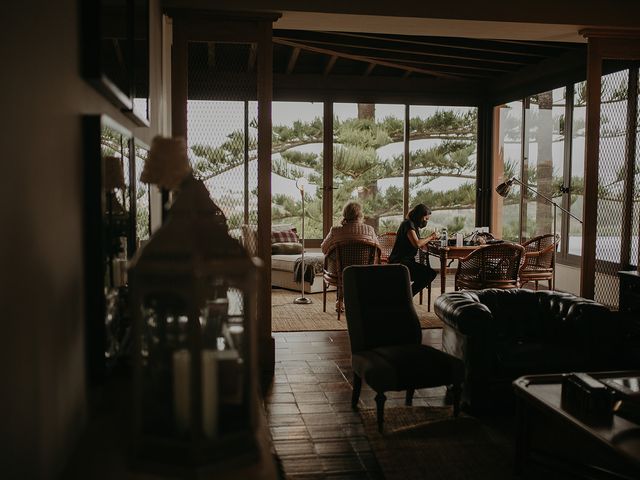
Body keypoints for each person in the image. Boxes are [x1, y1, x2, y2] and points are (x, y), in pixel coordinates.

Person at [388, 203, 438, 296]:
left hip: (406, 262)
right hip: (400, 262)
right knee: (430, 274)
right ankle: (406, 296)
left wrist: (426, 241)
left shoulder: (412, 225)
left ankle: (405, 296)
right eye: (426, 219)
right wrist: (431, 236)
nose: (426, 221)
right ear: (420, 216)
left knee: (427, 274)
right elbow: (417, 243)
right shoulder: (408, 224)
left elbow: (416, 242)